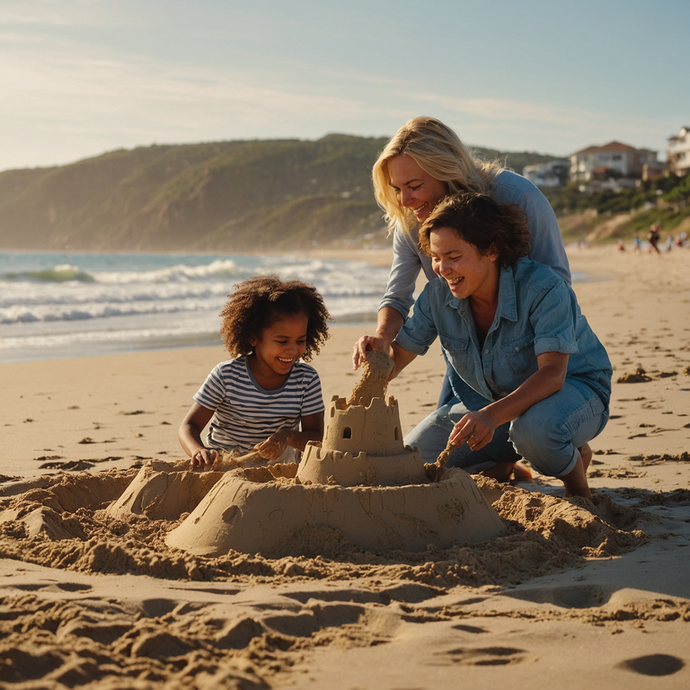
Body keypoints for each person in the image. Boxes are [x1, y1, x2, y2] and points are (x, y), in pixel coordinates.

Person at [352, 116, 572, 468]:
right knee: (433, 461)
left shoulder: (517, 197)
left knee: (524, 433)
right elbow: (397, 296)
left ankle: (563, 448)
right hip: (467, 350)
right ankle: (502, 460)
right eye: (397, 189)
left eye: (414, 185)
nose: (405, 200)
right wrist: (381, 338)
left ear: (446, 170)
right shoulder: (412, 221)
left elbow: (557, 285)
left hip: (530, 350)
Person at [388, 193, 612, 498]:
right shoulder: (436, 297)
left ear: (491, 250)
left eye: (453, 257)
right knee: (412, 463)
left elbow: (553, 374)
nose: (442, 269)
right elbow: (398, 356)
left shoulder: (543, 287)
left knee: (535, 432)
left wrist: (490, 417)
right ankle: (504, 461)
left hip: (575, 391)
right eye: (436, 258)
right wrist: (377, 355)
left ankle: (576, 481)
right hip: (491, 406)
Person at [179, 276, 330, 470]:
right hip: (224, 468)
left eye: (300, 341)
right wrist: (197, 451)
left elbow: (315, 435)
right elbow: (188, 426)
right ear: (253, 337)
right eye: (282, 342)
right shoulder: (226, 376)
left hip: (278, 471)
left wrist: (287, 436)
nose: (293, 351)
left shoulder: (306, 379)